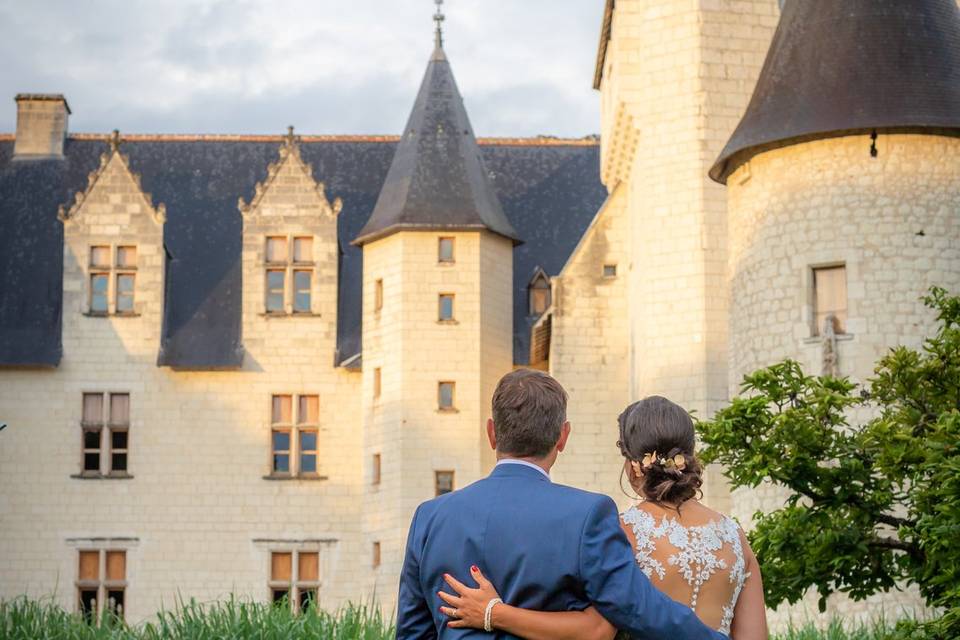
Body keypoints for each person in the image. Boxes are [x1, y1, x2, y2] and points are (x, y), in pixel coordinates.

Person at [397, 370, 727, 640]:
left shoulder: (429, 517)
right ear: (563, 437)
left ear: (492, 433)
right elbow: (640, 608)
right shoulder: (587, 515)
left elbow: (412, 633)